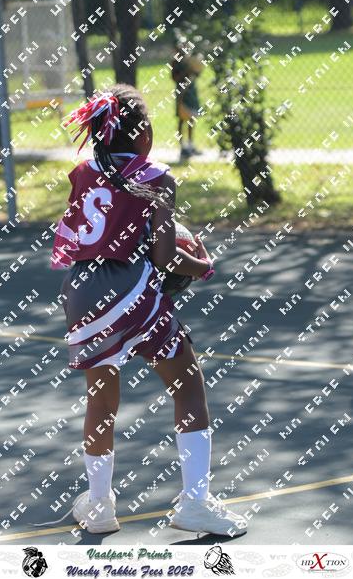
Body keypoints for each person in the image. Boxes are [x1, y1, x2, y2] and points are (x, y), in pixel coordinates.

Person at [44, 84, 247, 537]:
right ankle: (195, 503)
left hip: (81, 292)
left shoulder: (83, 171)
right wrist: (203, 267)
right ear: (142, 133)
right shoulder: (157, 177)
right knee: (188, 386)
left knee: (101, 400)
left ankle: (100, 505)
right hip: (131, 291)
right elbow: (164, 258)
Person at [171, 42, 202, 160]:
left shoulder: (190, 60)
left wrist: (196, 66)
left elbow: (197, 74)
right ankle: (182, 147)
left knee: (192, 118)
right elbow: (174, 78)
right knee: (181, 119)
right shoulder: (175, 62)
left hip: (191, 92)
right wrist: (186, 71)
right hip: (181, 93)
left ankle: (190, 145)